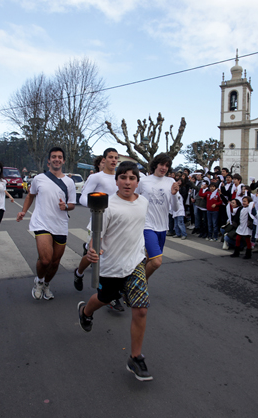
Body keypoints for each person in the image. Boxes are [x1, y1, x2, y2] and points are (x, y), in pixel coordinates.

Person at [77, 161, 154, 381]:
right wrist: (93, 250)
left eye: (132, 178)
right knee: (104, 298)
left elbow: (139, 228)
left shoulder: (143, 202)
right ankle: (85, 312)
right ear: (116, 180)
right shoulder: (106, 205)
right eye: (123, 177)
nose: (127, 182)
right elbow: (95, 237)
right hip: (110, 266)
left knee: (140, 310)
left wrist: (146, 250)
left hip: (136, 263)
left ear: (137, 182)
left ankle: (135, 358)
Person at [17, 147, 76, 300]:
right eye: (54, 157)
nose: (57, 159)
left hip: (60, 225)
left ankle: (47, 284)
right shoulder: (39, 179)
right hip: (41, 223)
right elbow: (30, 196)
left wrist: (66, 206)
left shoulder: (69, 182)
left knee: (55, 262)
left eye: (60, 157)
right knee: (45, 260)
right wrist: (23, 211)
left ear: (63, 160)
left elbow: (72, 204)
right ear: (49, 160)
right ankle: (39, 281)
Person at [74, 148, 123, 310]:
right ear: (105, 159)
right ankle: (79, 273)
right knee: (93, 255)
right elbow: (82, 198)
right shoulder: (96, 177)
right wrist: (98, 205)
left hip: (116, 225)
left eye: (116, 158)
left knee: (111, 257)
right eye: (111, 157)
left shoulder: (121, 177)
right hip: (97, 223)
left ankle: (111, 296)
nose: (114, 160)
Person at [134, 153, 180, 279]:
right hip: (147, 225)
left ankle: (135, 284)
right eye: (161, 164)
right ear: (155, 165)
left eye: (167, 166)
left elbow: (175, 208)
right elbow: (134, 200)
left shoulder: (171, 182)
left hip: (162, 227)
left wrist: (174, 194)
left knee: (150, 260)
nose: (164, 168)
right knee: (156, 261)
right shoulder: (143, 181)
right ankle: (138, 286)